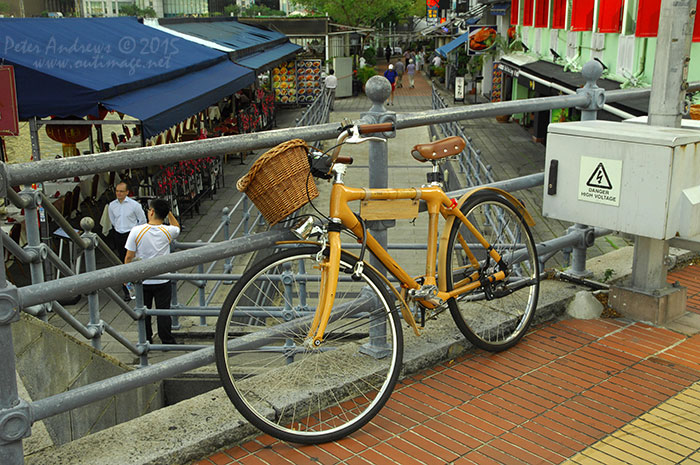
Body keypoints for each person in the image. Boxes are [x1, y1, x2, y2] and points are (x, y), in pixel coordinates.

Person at [124, 199, 180, 345]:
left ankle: (146, 339)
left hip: (143, 279)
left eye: (149, 209)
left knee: (144, 312)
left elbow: (129, 256)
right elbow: (177, 227)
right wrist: (168, 212)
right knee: (163, 312)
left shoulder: (136, 231)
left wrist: (126, 276)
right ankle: (167, 339)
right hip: (163, 279)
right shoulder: (168, 231)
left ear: (152, 212)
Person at [108, 181, 146, 300]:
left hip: (132, 234)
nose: (118, 194)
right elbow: (113, 221)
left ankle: (140, 286)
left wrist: (136, 234)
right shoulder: (112, 205)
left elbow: (142, 220)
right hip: (119, 234)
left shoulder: (134, 205)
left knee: (134, 260)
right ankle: (127, 289)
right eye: (117, 191)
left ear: (127, 192)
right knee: (122, 261)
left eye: (121, 191)